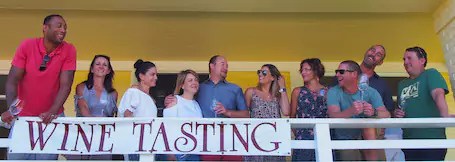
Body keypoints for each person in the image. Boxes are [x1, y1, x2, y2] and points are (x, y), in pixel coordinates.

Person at [0, 14, 76, 160]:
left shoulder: (69, 50)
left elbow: (66, 85)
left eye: (65, 27)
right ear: (45, 28)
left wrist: (52, 112)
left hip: (50, 119)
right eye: (59, 25)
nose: (63, 30)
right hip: (23, 118)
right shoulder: (27, 45)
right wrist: (12, 108)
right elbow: (12, 81)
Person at [165, 55, 248, 161]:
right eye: (223, 64)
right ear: (212, 66)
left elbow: (246, 115)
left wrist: (227, 112)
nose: (226, 68)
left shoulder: (235, 89)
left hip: (230, 141)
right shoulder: (198, 88)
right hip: (205, 143)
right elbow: (183, 100)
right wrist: (170, 99)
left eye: (227, 65)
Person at [394, 46, 454, 161]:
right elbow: (400, 108)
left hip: (431, 140)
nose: (406, 62)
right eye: (404, 59)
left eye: (409, 58)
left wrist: (444, 116)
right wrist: (396, 113)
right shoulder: (401, 84)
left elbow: (438, 94)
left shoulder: (431, 74)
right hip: (409, 141)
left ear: (422, 60)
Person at [327, 60, 390, 161]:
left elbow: (386, 114)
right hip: (346, 140)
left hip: (371, 139)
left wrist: (374, 112)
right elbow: (333, 115)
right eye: (336, 71)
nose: (337, 75)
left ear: (354, 74)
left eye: (341, 72)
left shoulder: (370, 92)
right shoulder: (333, 92)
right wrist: (351, 111)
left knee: (368, 125)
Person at [65, 55, 117, 160]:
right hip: (83, 133)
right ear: (92, 69)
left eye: (105, 65)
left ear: (108, 71)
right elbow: (84, 111)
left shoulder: (113, 93)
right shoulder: (81, 87)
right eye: (98, 64)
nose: (101, 67)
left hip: (103, 137)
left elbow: (111, 117)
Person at [359, 45, 400, 161]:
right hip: (348, 133)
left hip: (375, 136)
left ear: (380, 62)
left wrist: (378, 117)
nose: (373, 54)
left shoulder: (382, 84)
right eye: (372, 50)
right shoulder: (345, 74)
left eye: (378, 54)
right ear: (366, 51)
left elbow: (389, 112)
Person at [243, 64, 290, 161]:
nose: (260, 74)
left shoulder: (277, 95)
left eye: (264, 72)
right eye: (259, 72)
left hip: (274, 140)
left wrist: (282, 87)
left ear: (273, 77)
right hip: (255, 138)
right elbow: (244, 114)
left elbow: (286, 111)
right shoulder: (251, 92)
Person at [118, 59, 158, 161]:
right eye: (152, 74)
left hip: (148, 146)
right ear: (141, 76)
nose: (156, 77)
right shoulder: (133, 92)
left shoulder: (149, 98)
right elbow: (127, 116)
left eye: (156, 74)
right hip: (135, 146)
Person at [290, 58, 328, 161]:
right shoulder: (297, 91)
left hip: (323, 137)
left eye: (307, 69)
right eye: (302, 70)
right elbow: (292, 116)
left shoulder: (327, 92)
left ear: (316, 71)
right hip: (302, 137)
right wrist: (299, 134)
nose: (303, 72)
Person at [164, 69, 202, 161]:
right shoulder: (174, 101)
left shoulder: (196, 104)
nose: (194, 82)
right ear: (182, 85)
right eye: (190, 80)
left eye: (195, 80)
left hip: (194, 152)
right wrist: (170, 153)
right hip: (178, 153)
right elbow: (167, 127)